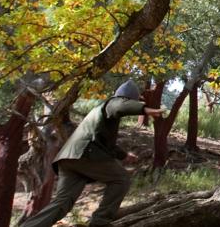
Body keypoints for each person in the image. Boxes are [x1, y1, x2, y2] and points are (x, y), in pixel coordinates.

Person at [19, 80, 165, 227]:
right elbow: (120, 105)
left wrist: (124, 156)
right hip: (85, 154)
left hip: (69, 158)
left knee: (62, 203)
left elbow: (106, 144)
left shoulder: (102, 114)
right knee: (121, 179)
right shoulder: (112, 103)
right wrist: (145, 109)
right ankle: (100, 222)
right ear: (128, 100)